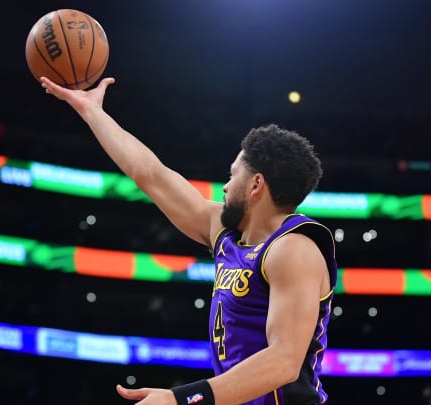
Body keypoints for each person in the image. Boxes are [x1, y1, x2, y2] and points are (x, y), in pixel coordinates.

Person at [41, 77, 338, 405]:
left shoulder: (294, 249)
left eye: (232, 175)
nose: (225, 187)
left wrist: (179, 399)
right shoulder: (225, 233)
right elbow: (151, 175)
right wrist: (91, 110)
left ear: (256, 184)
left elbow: (284, 361)